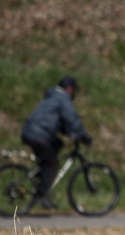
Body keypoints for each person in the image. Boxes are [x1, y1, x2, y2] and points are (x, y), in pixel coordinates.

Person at [21, 76, 92, 210]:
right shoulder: (62, 98)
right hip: (39, 135)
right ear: (69, 89)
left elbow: (58, 123)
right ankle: (41, 195)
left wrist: (71, 133)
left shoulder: (52, 97)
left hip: (32, 132)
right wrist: (83, 136)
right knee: (51, 164)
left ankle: (42, 183)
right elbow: (72, 120)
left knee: (57, 144)